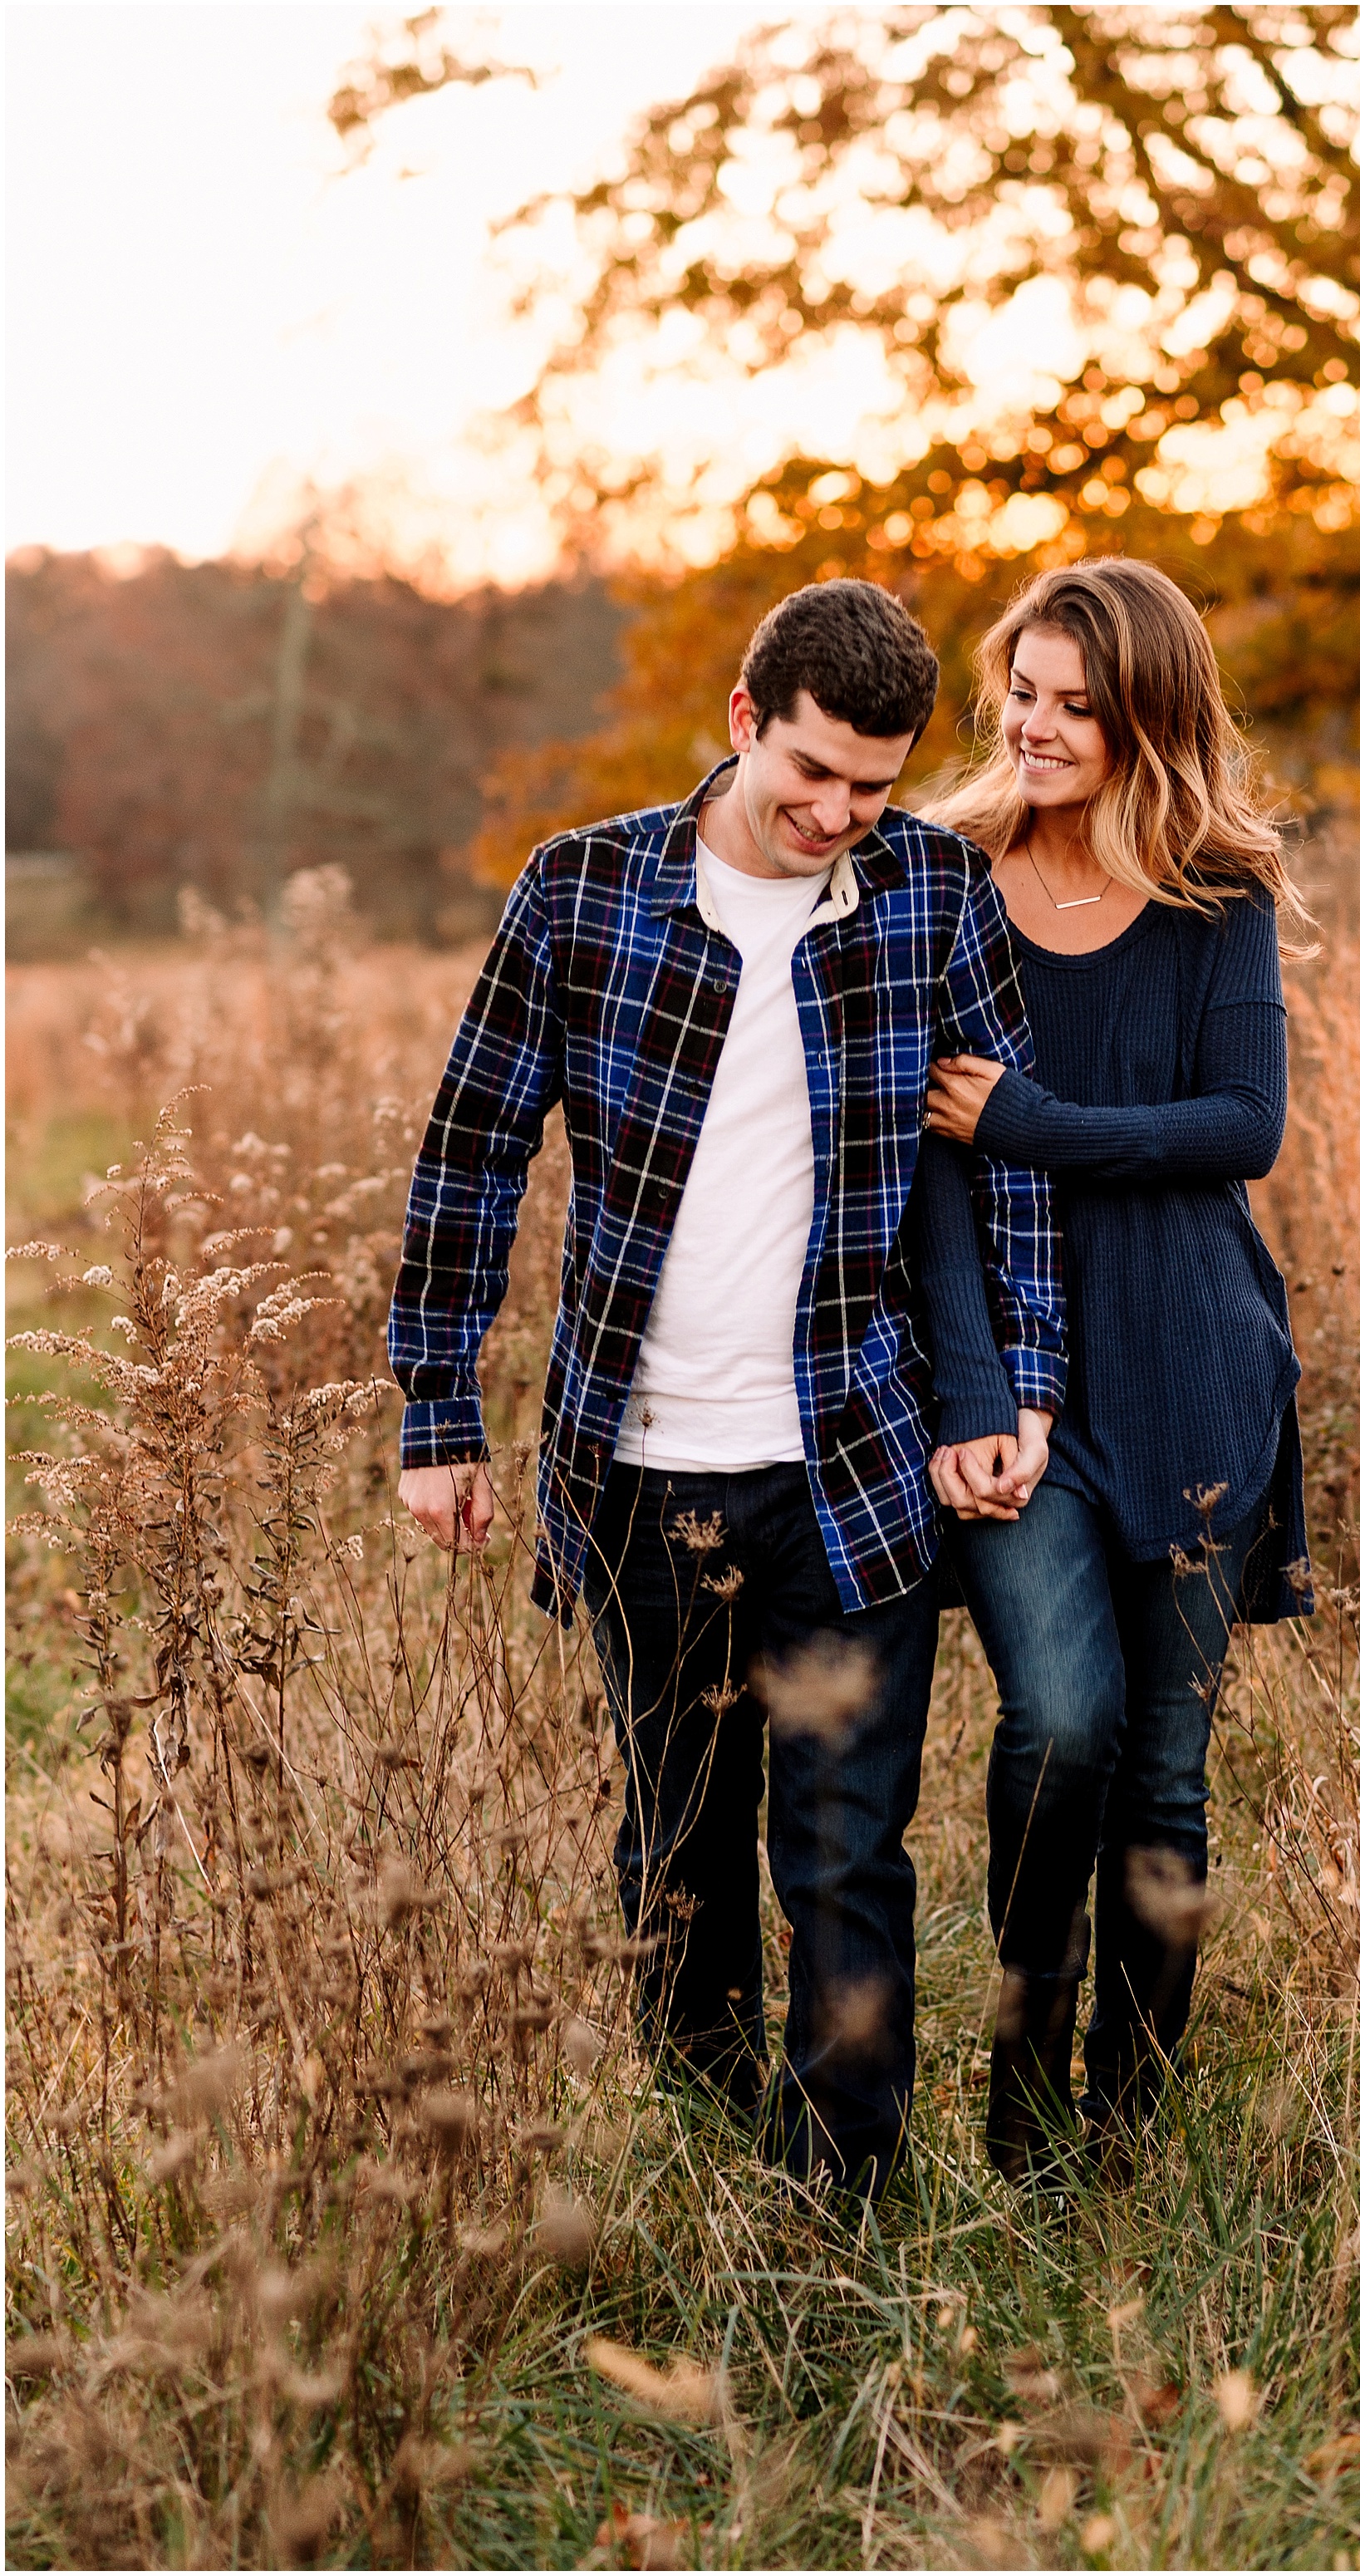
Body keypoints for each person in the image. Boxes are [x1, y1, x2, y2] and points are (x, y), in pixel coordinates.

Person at [388, 579, 1064, 2195]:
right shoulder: (582, 889)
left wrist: (1020, 1383)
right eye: (810, 772)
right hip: (638, 1473)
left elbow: (1009, 1155)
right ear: (745, 720)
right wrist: (435, 1412)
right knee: (676, 1845)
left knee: (843, 1850)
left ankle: (843, 2206)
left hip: (848, 1460)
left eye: (872, 783)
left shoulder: (928, 895)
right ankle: (705, 2153)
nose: (836, 813)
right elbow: (472, 1151)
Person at [914, 556, 1315, 2184]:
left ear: (1146, 716)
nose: (1037, 722)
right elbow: (920, 1171)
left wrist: (1037, 1122)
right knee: (1063, 1721)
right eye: (1022, 686)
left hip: (1192, 1365)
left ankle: (1120, 2132)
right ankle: (1020, 2086)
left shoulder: (1217, 893)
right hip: (1017, 1389)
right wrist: (963, 1391)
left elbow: (1243, 1126)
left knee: (1163, 1766)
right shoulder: (936, 876)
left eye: (1077, 703)